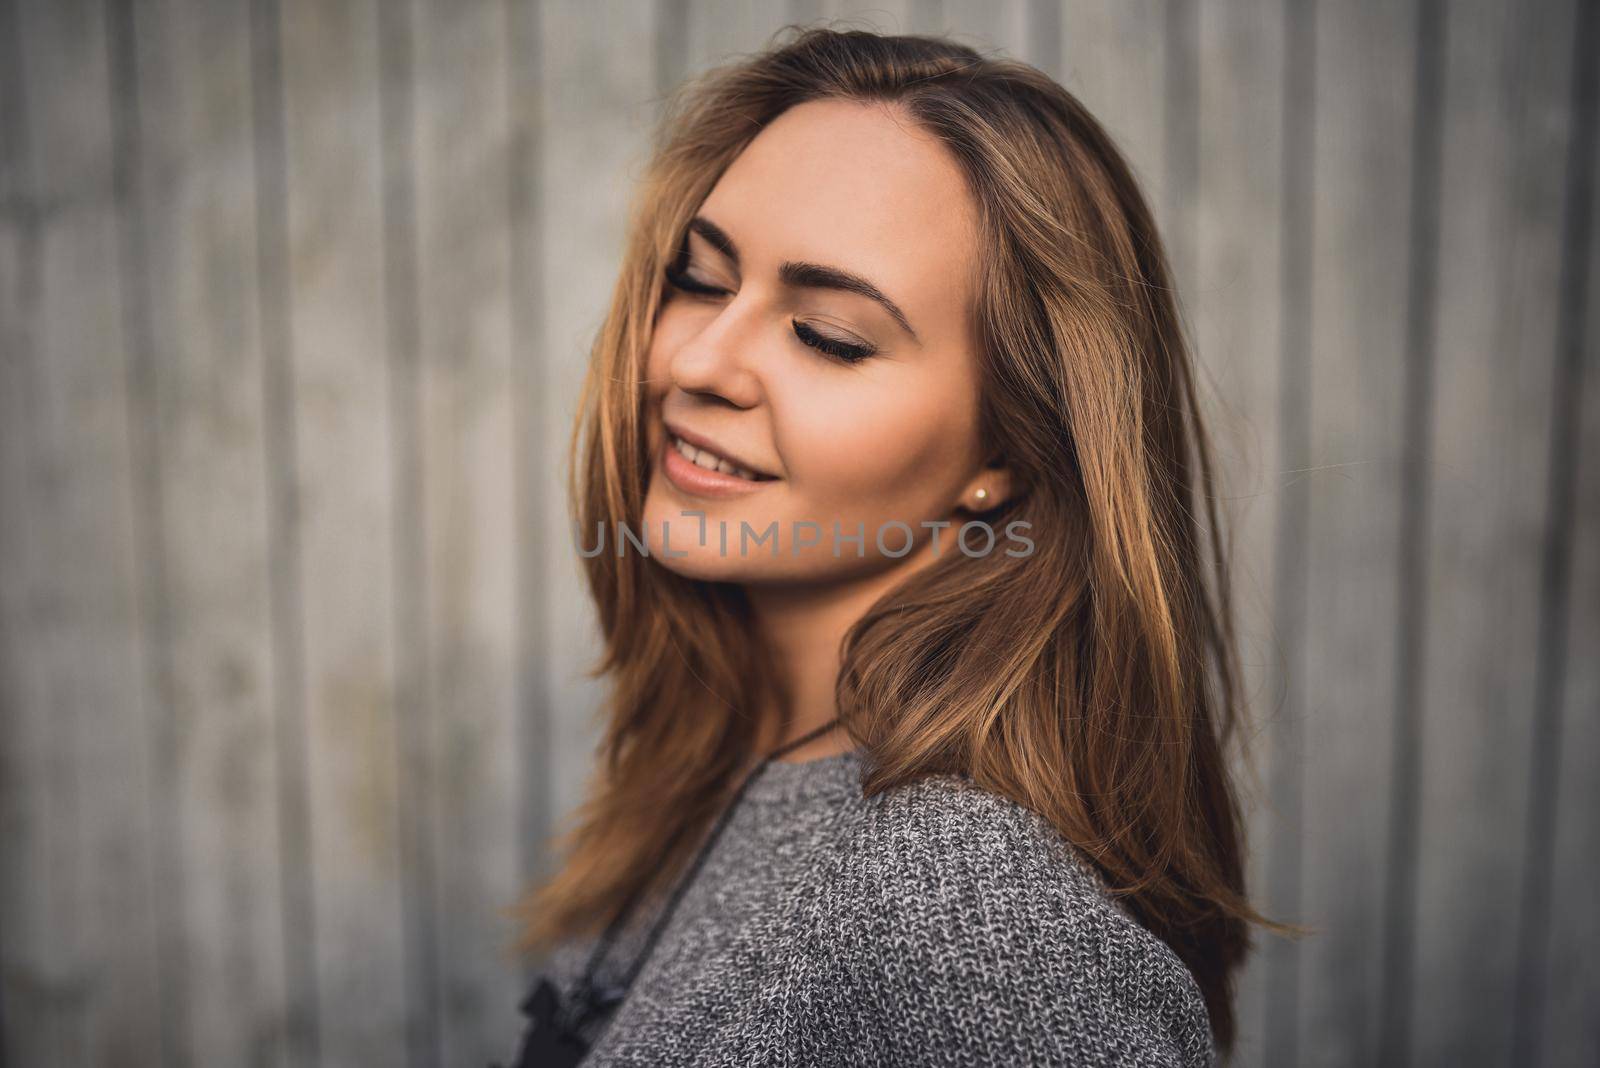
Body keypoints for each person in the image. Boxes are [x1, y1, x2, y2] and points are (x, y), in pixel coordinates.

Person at [500, 26, 1294, 1067]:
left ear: (1008, 450)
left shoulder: (963, 893)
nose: (698, 359)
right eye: (699, 279)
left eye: (827, 334)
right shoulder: (719, 768)